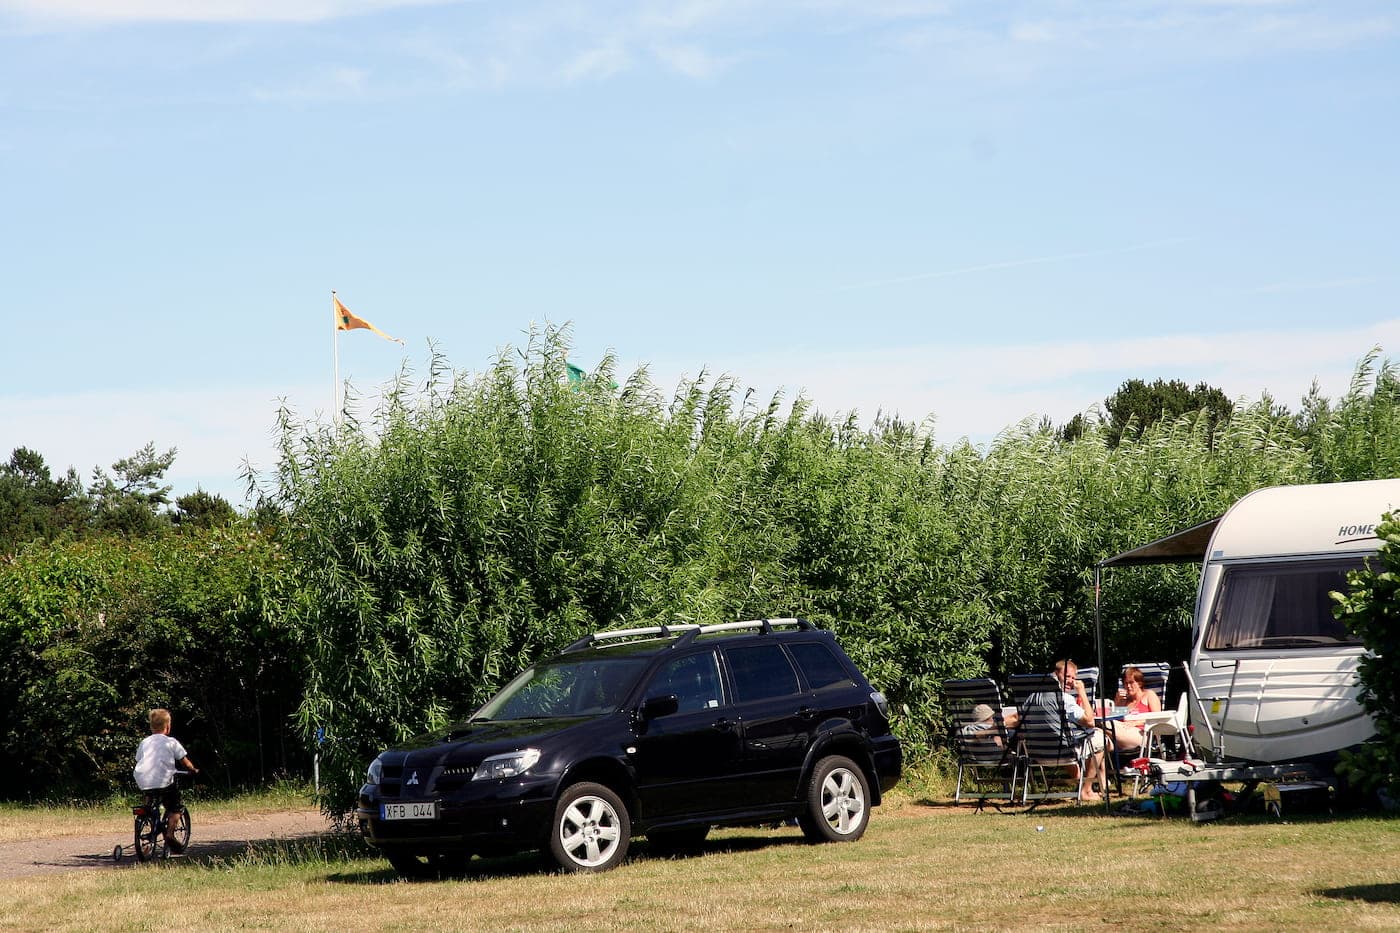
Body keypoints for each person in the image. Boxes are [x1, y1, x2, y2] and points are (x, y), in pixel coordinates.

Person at [1025, 660, 1107, 801]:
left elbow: (1018, 718)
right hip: (1061, 752)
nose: (1071, 681)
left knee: (1082, 739)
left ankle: (1096, 786)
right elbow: (1090, 721)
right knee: (1101, 740)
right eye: (1067, 676)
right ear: (1055, 675)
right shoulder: (1065, 699)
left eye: (1073, 678)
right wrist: (1081, 692)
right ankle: (1085, 790)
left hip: (1037, 753)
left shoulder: (1032, 697)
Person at [134, 708, 198, 853]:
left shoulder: (144, 742)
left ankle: (147, 815)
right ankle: (169, 834)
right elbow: (185, 761)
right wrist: (192, 770)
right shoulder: (171, 742)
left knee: (150, 796)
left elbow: (138, 759)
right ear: (168, 727)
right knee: (176, 806)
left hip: (143, 779)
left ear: (151, 726)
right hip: (164, 781)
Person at [1108, 666, 1163, 754]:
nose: (1128, 686)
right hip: (1121, 735)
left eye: (1131, 682)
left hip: (1142, 735)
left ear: (1140, 683)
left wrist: (1136, 722)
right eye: (1125, 683)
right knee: (1097, 737)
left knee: (1101, 722)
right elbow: (1113, 719)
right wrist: (1117, 701)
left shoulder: (1149, 695)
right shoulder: (1125, 701)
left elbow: (1158, 718)